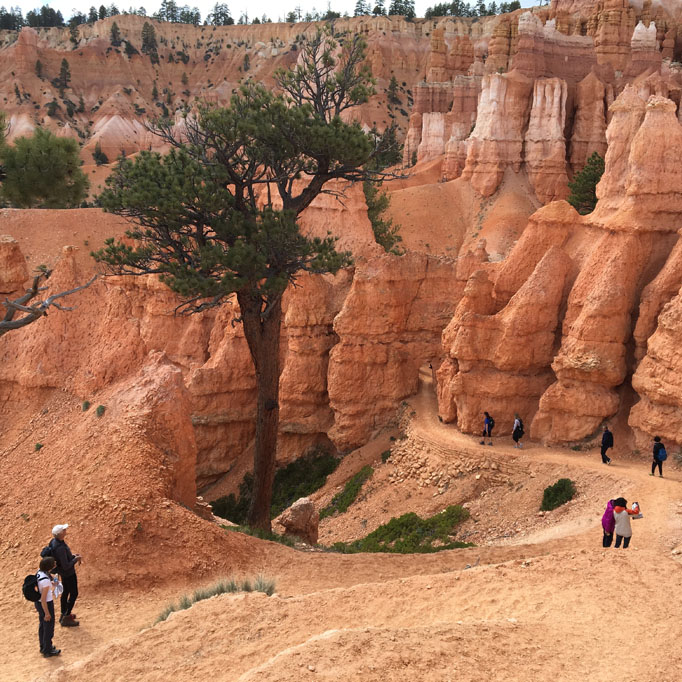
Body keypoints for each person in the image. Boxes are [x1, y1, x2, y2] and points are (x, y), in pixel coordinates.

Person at [49, 524, 82, 627]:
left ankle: (64, 614)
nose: (65, 530)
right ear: (60, 534)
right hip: (68, 574)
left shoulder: (55, 542)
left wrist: (72, 556)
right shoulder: (60, 548)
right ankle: (66, 617)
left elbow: (63, 560)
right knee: (74, 593)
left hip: (63, 573)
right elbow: (66, 565)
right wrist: (75, 559)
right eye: (64, 530)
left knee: (66, 592)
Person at [35, 556, 61, 657]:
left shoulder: (39, 572)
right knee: (48, 627)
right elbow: (44, 599)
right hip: (45, 604)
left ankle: (44, 646)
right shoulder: (45, 581)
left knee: (43, 626)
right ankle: (47, 650)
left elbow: (54, 582)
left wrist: (53, 578)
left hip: (38, 603)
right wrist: (47, 613)